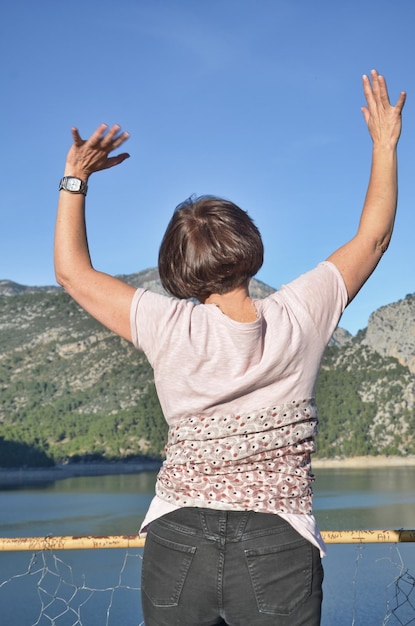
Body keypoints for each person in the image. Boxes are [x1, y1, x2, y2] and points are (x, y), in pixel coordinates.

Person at [54, 70, 405, 626]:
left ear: (177, 268)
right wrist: (384, 145)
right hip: (277, 539)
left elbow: (72, 274)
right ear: (251, 243)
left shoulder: (166, 324)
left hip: (177, 539)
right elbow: (375, 237)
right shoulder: (301, 313)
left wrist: (76, 179)